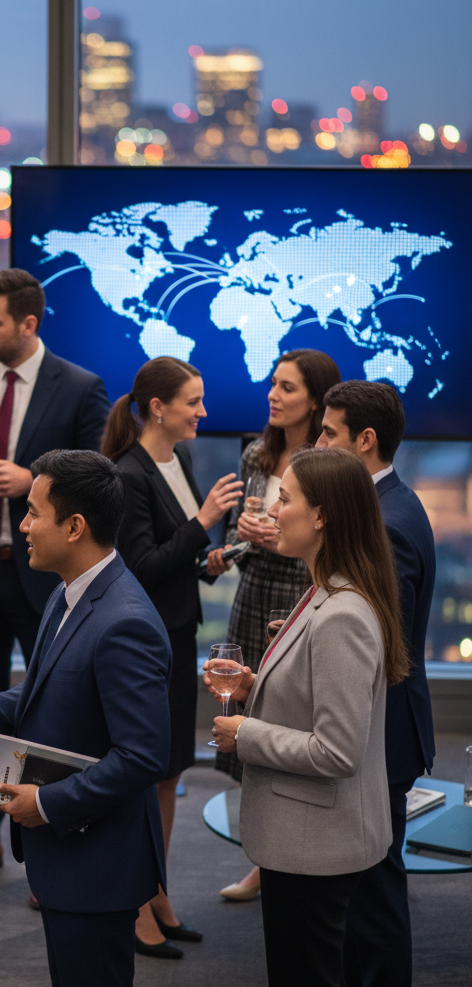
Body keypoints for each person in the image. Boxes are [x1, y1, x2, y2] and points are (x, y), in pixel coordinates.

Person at [0, 449, 172, 987]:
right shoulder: (66, 593)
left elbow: (144, 755)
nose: (23, 525)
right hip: (69, 856)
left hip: (98, 864)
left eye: (33, 512)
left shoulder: (124, 623)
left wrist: (49, 803)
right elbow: (39, 698)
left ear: (75, 526)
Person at [0, 268, 111, 887]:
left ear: (28, 325)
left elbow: (98, 475)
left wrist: (27, 479)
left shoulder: (82, 388)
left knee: (52, 716)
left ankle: (46, 840)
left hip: (47, 582)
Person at [207, 447, 408, 987]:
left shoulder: (341, 612)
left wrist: (245, 732)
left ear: (322, 515)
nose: (273, 510)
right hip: (309, 840)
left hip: (314, 846)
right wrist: (255, 687)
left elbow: (336, 751)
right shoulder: (325, 589)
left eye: (286, 499)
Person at [100, 357, 242, 959]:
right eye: (193, 401)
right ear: (158, 407)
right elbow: (138, 567)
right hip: (146, 643)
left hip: (178, 632)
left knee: (170, 772)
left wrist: (208, 559)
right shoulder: (127, 473)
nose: (203, 413)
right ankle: (133, 906)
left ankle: (155, 894)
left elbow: (173, 558)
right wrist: (205, 523)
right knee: (145, 775)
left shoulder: (177, 460)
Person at [317, 381, 436, 987]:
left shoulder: (385, 523)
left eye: (329, 434)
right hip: (381, 728)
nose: (317, 444)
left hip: (380, 734)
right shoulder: (387, 505)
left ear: (365, 441)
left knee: (374, 895)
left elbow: (379, 645)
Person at [213, 348, 340, 901]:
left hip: (298, 595)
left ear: (315, 400)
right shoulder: (254, 454)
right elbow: (235, 543)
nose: (273, 395)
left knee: (289, 717)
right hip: (253, 592)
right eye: (272, 384)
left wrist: (275, 540)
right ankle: (263, 854)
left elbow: (330, 542)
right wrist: (237, 538)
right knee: (249, 715)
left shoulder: (326, 464)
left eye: (287, 388)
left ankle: (282, 858)